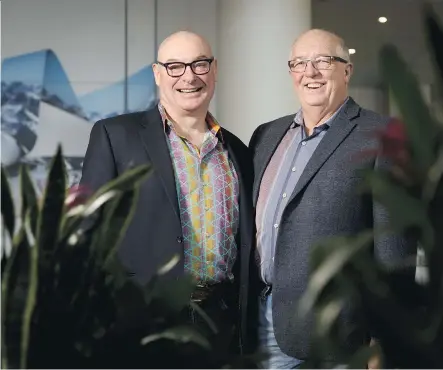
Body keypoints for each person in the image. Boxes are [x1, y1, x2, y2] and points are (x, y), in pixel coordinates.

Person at [80, 31, 255, 363]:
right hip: (141, 323)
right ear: (158, 74)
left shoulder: (239, 152)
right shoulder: (115, 136)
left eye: (199, 64)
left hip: (220, 323)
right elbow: (88, 231)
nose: (188, 76)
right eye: (175, 66)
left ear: (214, 69)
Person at [249, 29, 417, 368]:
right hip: (261, 325)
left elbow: (394, 249)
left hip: (339, 335)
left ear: (347, 70)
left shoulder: (386, 135)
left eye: (323, 61)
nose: (310, 72)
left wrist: (386, 338)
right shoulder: (266, 135)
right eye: (300, 63)